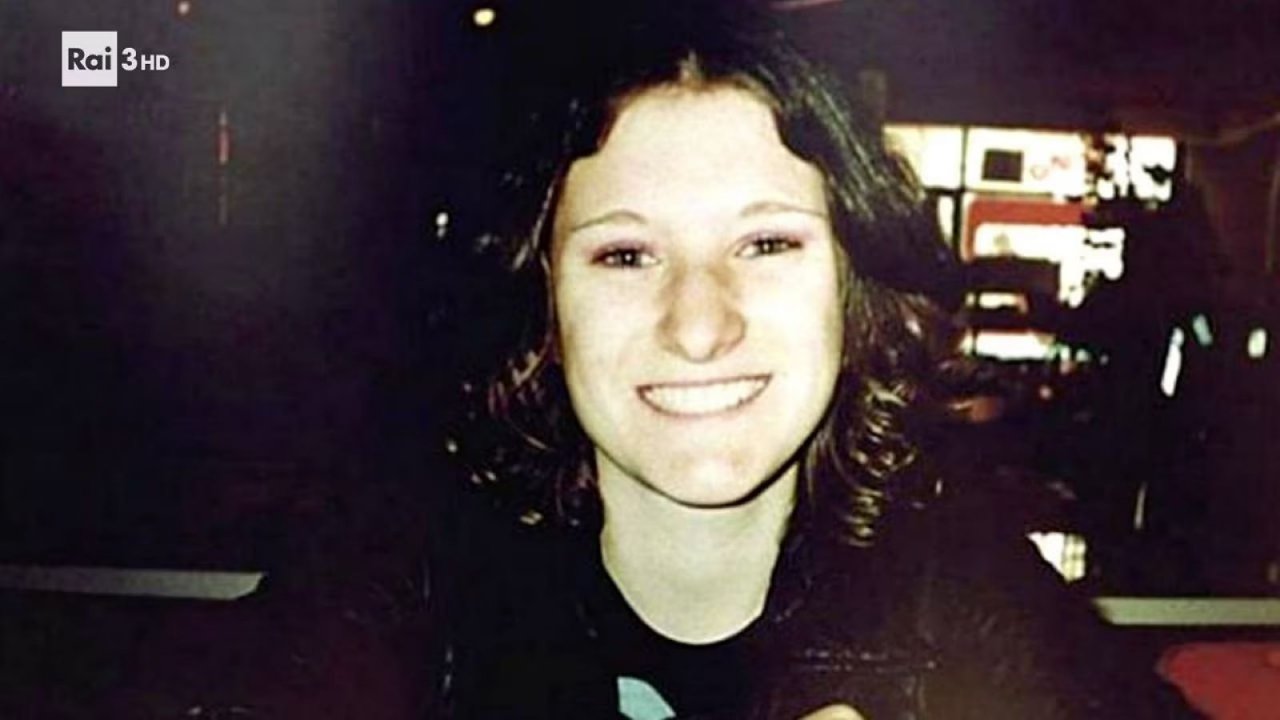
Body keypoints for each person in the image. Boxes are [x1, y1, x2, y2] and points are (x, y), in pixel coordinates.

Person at [426, 5, 1198, 720]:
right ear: (544, 301)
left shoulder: (967, 585)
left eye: (766, 244)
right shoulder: (414, 597)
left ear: (854, 292)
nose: (699, 328)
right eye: (626, 254)